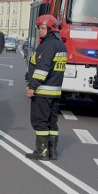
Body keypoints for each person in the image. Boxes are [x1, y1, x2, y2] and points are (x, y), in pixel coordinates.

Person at [25, 14, 67, 160]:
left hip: (43, 91)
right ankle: (52, 152)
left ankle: (41, 151)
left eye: (42, 28)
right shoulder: (60, 45)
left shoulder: (47, 46)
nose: (39, 31)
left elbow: (43, 68)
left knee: (40, 121)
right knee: (52, 122)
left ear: (50, 29)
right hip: (55, 92)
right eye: (38, 28)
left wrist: (32, 86)